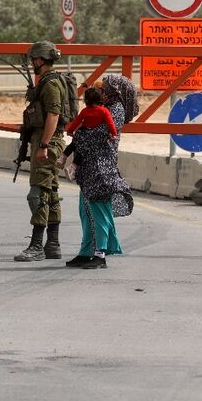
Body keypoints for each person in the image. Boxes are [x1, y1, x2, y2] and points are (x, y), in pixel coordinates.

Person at [64, 74, 137, 269]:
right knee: (86, 210)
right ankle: (86, 252)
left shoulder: (116, 110)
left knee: (99, 211)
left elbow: (96, 134)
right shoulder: (102, 109)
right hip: (89, 166)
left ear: (115, 91)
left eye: (105, 89)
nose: (101, 92)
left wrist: (78, 133)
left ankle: (100, 254)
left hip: (102, 167)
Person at [14, 41, 67, 262]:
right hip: (45, 140)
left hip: (48, 142)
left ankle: (36, 246)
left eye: (34, 59)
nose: (32, 63)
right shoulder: (47, 81)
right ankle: (52, 245)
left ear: (41, 59)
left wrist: (44, 146)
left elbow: (53, 115)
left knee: (38, 194)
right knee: (51, 192)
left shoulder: (51, 83)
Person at [60, 86, 118, 180]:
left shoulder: (85, 111)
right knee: (82, 151)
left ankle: (63, 157)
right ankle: (72, 167)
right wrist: (114, 134)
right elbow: (110, 123)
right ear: (100, 98)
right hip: (92, 137)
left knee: (74, 145)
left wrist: (70, 131)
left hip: (82, 133)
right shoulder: (104, 111)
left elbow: (76, 122)